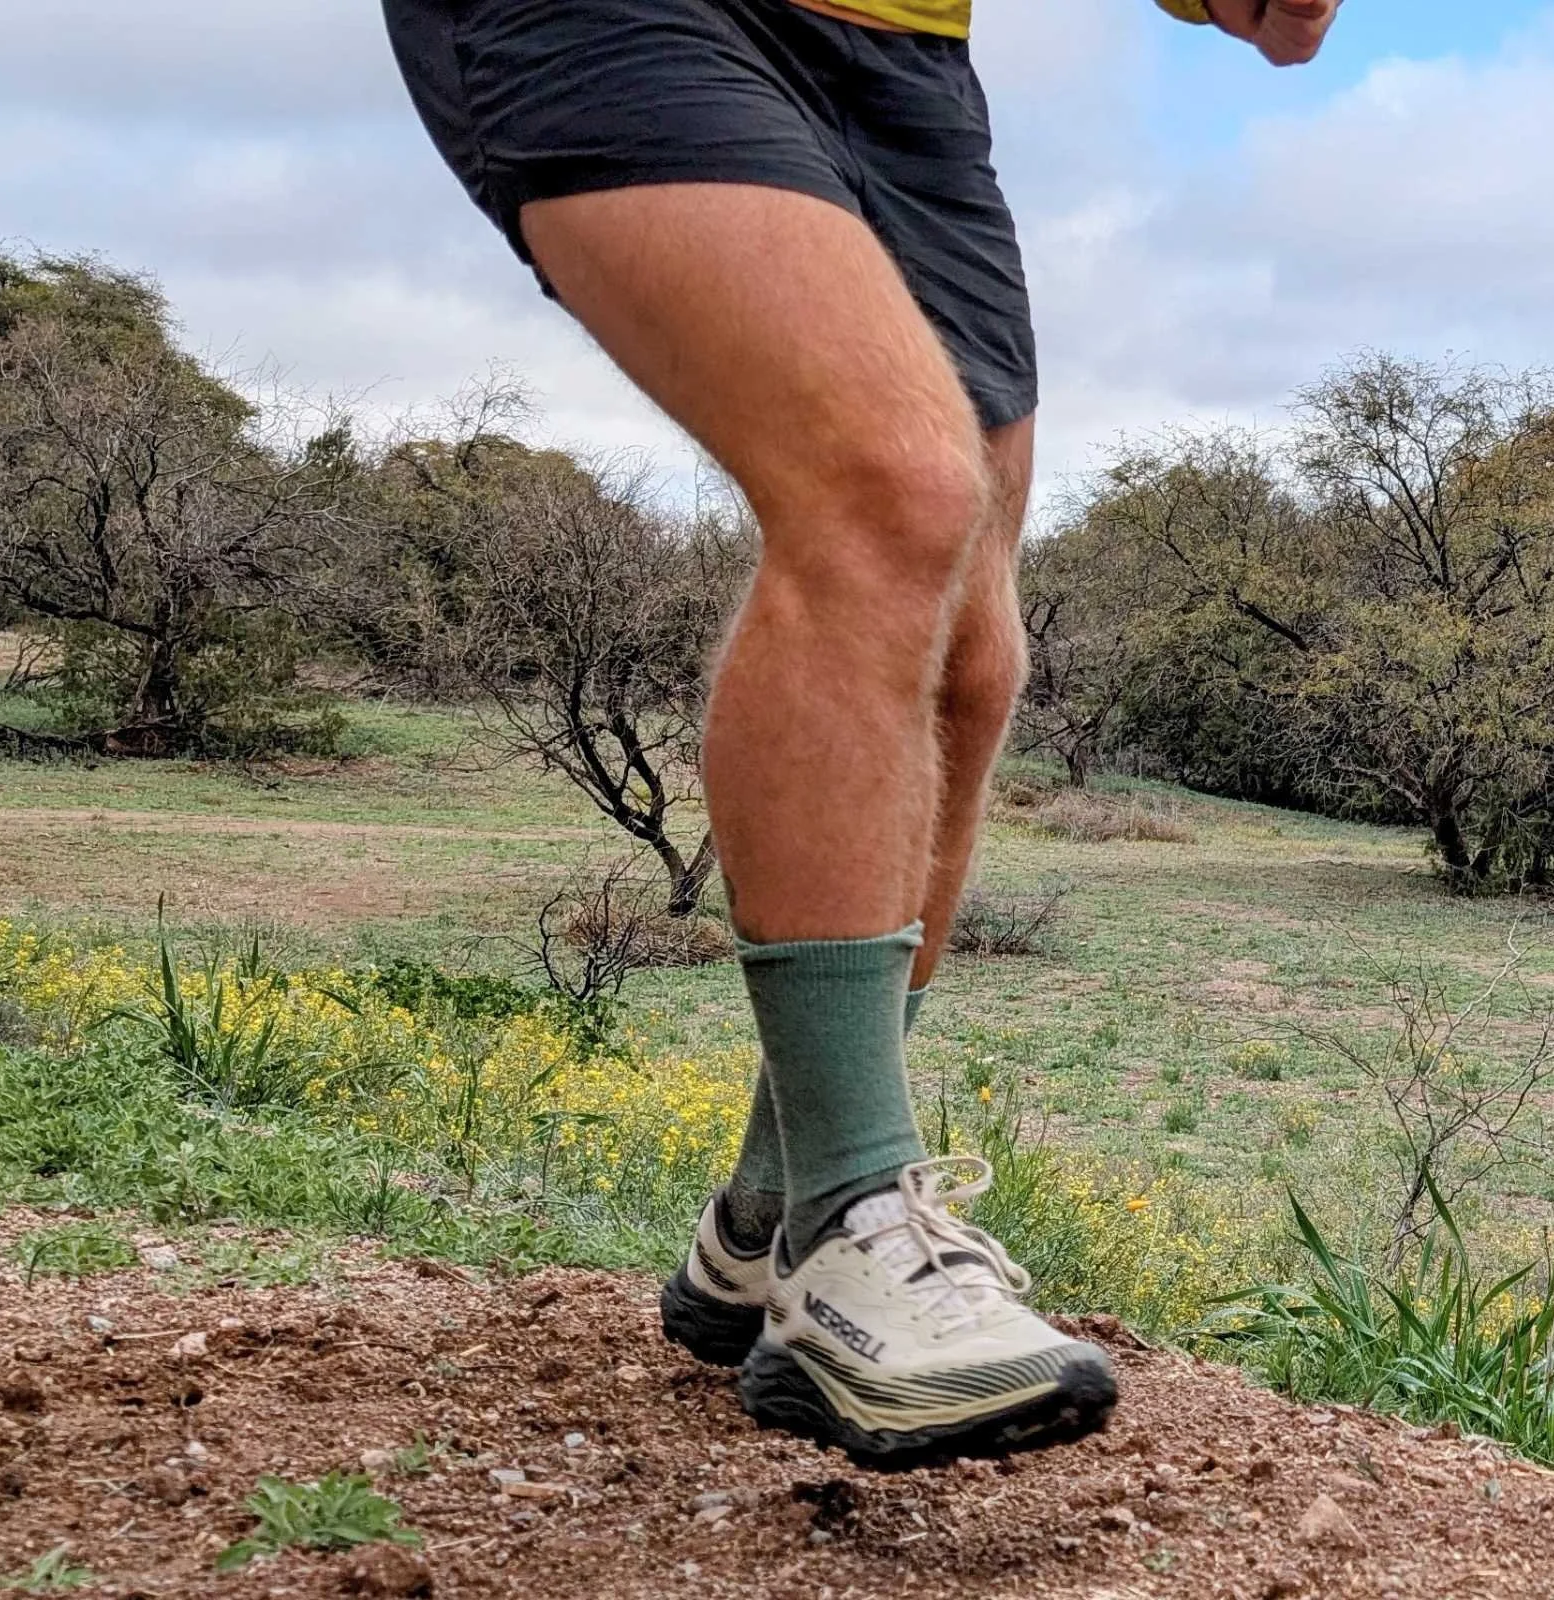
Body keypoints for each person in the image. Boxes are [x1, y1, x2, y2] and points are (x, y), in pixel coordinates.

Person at [383, 0, 1340, 1466]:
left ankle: (773, 1217)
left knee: (970, 648)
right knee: (891, 485)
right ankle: (852, 1219)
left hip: (900, 46)